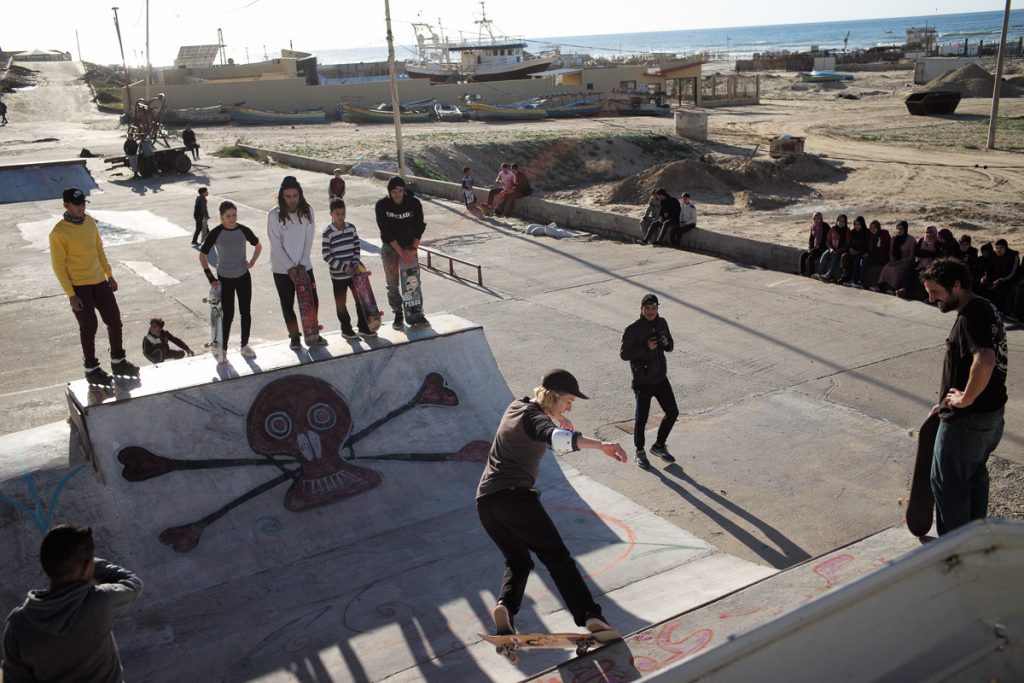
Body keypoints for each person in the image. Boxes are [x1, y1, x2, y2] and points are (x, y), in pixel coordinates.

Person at [476, 369, 627, 637]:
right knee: (558, 559)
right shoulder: (535, 419)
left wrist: (556, 416)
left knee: (518, 560)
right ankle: (590, 615)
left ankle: (506, 607)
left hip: (486, 502)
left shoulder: (516, 406)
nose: (570, 406)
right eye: (568, 401)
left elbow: (538, 420)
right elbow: (554, 438)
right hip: (515, 498)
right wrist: (601, 444)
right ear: (554, 396)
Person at [920, 259, 1007, 536]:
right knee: (973, 477)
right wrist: (947, 400)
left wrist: (965, 399)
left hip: (967, 421)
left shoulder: (971, 316)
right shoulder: (985, 306)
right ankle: (976, 539)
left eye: (935, 292)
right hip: (989, 417)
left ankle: (956, 553)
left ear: (956, 285)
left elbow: (985, 360)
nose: (931, 298)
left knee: (947, 484)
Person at [1, 524, 143, 682]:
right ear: (85, 567)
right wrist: (92, 562)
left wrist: (80, 560)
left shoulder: (18, 625)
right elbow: (133, 583)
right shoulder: (99, 602)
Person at [49, 188, 139, 385]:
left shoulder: (89, 222)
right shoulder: (58, 233)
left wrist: (109, 274)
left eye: (83, 203)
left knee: (114, 319)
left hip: (99, 281)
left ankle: (118, 360)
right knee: (89, 327)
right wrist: (71, 295)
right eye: (77, 204)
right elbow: (58, 266)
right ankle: (91, 369)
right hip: (80, 287)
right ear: (66, 205)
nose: (81, 207)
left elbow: (99, 249)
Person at [620, 293, 680, 469]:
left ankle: (659, 446)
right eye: (647, 308)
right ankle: (639, 451)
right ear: (641, 309)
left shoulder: (662, 323)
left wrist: (666, 342)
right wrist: (646, 347)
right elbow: (624, 354)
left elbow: (670, 346)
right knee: (641, 419)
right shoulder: (633, 329)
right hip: (643, 381)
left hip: (660, 378)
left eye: (654, 308)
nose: (651, 312)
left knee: (673, 412)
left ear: (657, 309)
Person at [267, 176, 326, 349]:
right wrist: (290, 267)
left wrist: (301, 264)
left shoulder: (308, 211)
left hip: (304, 265)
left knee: (312, 301)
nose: (292, 200)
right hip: (281, 268)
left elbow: (309, 238)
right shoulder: (273, 215)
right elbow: (275, 243)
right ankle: (294, 336)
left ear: (300, 195)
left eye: (295, 196)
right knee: (287, 304)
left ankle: (313, 333)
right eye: (288, 196)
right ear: (281, 197)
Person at [202, 200, 262, 361]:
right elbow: (202, 255)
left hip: (243, 277)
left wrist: (252, 262)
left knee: (246, 312)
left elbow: (258, 246)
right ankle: (224, 349)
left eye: (234, 215)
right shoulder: (216, 232)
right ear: (221, 217)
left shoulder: (243, 230)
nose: (232, 218)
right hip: (225, 278)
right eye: (228, 216)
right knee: (228, 315)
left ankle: (244, 346)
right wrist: (210, 278)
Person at [375, 176, 428, 329]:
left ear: (404, 190)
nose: (398, 194)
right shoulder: (382, 205)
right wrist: (400, 251)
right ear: (389, 192)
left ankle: (416, 311)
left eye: (400, 191)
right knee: (392, 283)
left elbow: (419, 226)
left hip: (410, 246)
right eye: (394, 191)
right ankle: (398, 314)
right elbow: (385, 230)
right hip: (390, 247)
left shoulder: (414, 203)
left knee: (412, 281)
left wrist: (412, 249)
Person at [322, 198, 373, 339]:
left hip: (354, 274)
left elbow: (357, 246)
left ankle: (363, 327)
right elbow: (326, 255)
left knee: (360, 300)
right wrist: (344, 268)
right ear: (331, 214)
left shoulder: (351, 228)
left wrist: (355, 263)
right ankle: (346, 329)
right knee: (341, 303)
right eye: (337, 214)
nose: (341, 216)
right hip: (338, 276)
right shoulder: (327, 233)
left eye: (343, 213)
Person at [981, 238, 1020, 314]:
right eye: (997, 248)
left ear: (1005, 248)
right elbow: (989, 269)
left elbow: (1013, 272)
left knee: (1003, 288)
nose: (998, 250)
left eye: (1001, 248)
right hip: (997, 279)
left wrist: (1001, 280)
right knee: (983, 285)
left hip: (1010, 279)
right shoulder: (993, 255)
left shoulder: (1013, 255)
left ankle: (1003, 310)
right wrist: (985, 277)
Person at [876, 221, 915, 294]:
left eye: (901, 229)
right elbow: (891, 252)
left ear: (905, 229)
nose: (899, 231)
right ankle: (882, 286)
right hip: (895, 260)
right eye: (897, 229)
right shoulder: (894, 239)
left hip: (906, 262)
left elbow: (911, 256)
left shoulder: (911, 240)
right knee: (886, 267)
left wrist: (901, 261)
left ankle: (893, 287)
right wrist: (892, 259)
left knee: (895, 270)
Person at [816, 213, 849, 282]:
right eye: (839, 221)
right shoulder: (833, 229)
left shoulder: (847, 231)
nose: (840, 223)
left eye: (843, 221)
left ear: (845, 223)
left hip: (841, 251)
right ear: (837, 221)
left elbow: (847, 245)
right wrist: (830, 248)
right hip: (832, 249)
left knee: (835, 257)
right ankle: (819, 273)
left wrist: (838, 251)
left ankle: (828, 275)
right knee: (825, 255)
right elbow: (828, 241)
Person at [859, 219, 890, 289]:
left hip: (883, 258)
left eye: (874, 227)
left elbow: (883, 250)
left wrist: (869, 255)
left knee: (865, 261)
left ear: (878, 227)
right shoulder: (872, 236)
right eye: (871, 228)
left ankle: (862, 281)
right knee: (861, 259)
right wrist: (867, 253)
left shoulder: (883, 235)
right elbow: (870, 248)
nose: (872, 229)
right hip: (875, 256)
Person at [840, 215, 870, 286]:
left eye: (859, 224)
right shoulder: (852, 232)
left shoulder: (866, 232)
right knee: (844, 256)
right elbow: (849, 243)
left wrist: (859, 252)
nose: (857, 226)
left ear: (862, 224)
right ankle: (844, 277)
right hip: (853, 252)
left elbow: (867, 246)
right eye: (855, 224)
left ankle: (854, 280)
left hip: (861, 253)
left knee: (857, 260)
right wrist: (851, 249)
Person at [800, 212, 829, 277]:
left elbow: (825, 241)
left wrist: (815, 249)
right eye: (814, 219)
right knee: (803, 256)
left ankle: (811, 274)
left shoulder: (825, 226)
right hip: (814, 247)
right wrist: (810, 248)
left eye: (818, 219)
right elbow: (811, 239)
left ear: (821, 219)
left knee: (811, 258)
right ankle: (802, 272)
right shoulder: (813, 227)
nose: (816, 220)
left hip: (823, 248)